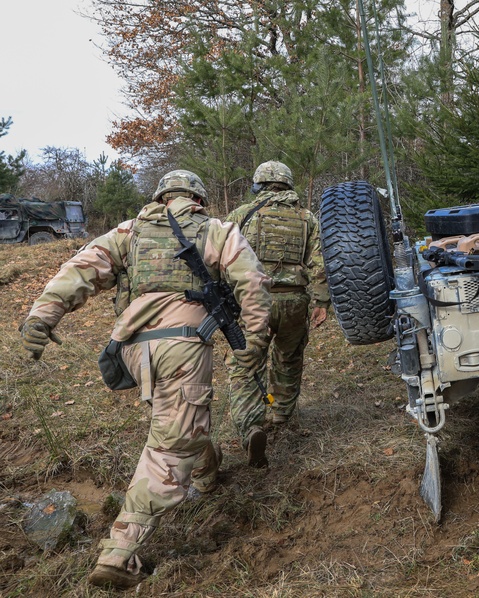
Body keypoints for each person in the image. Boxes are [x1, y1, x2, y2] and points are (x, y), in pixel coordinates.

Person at [18, 170, 272, 590]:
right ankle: (121, 551)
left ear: (160, 196)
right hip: (183, 347)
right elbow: (253, 282)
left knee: (177, 418)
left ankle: (206, 475)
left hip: (135, 350)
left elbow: (80, 269)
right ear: (197, 198)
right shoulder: (214, 229)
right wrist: (255, 339)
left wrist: (41, 316)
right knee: (172, 440)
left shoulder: (129, 232)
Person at [225, 160, 329, 448]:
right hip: (294, 300)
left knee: (247, 365)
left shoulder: (242, 215)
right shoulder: (307, 218)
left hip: (253, 302)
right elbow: (319, 262)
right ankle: (282, 414)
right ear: (288, 184)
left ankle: (251, 426)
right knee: (289, 358)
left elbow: (221, 258)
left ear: (257, 185)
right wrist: (321, 300)